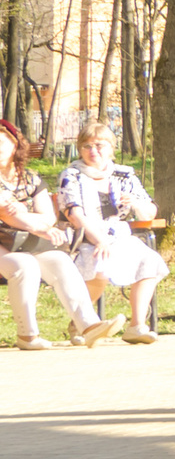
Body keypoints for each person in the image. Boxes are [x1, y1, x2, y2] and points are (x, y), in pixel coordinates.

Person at [1, 120, 123, 348]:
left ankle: (88, 326)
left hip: (24, 240)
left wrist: (40, 223)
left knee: (59, 260)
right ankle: (27, 335)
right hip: (7, 244)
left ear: (15, 146)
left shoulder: (31, 178)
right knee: (23, 265)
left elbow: (48, 216)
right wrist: (41, 228)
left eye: (2, 143)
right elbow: (8, 217)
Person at [56, 122, 169, 343]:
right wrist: (100, 240)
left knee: (149, 260)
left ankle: (137, 326)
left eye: (99, 145)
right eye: (87, 146)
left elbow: (149, 212)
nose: (93, 151)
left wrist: (136, 203)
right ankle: (81, 324)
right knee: (101, 267)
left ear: (111, 148)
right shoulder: (72, 175)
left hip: (119, 235)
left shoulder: (124, 175)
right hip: (85, 238)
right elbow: (75, 215)